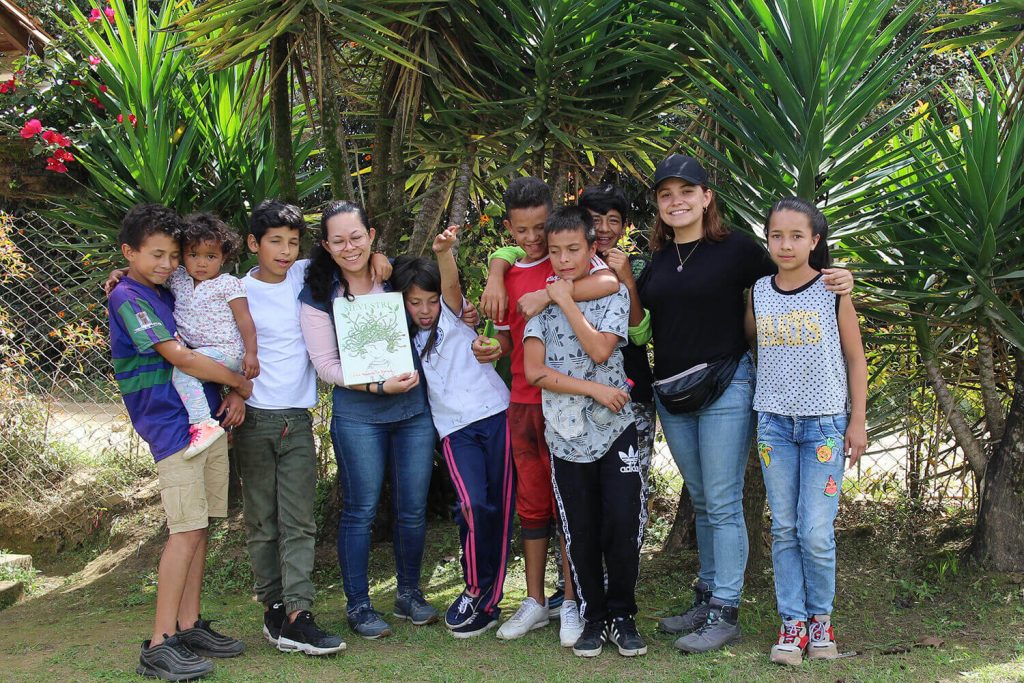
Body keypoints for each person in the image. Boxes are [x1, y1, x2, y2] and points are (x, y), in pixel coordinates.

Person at [634, 154, 853, 653]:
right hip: (673, 393)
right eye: (666, 194)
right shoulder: (656, 260)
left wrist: (840, 278)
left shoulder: (737, 250)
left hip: (727, 386)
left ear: (706, 197)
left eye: (686, 191)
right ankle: (707, 595)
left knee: (723, 500)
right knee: (703, 499)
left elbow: (796, 271)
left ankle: (725, 610)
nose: (676, 201)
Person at [109, 204, 251, 681]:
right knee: (185, 529)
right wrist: (240, 382)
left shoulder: (168, 289)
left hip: (205, 419)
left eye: (173, 255)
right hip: (172, 427)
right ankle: (159, 643)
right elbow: (180, 357)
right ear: (129, 252)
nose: (168, 264)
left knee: (201, 525)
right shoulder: (129, 297)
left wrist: (232, 390)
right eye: (156, 255)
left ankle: (188, 626)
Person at [474, 177, 618, 646]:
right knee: (532, 503)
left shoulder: (572, 265)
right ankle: (535, 601)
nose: (534, 238)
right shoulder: (509, 270)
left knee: (570, 506)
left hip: (568, 404)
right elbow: (506, 340)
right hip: (522, 402)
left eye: (542, 227)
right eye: (524, 230)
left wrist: (550, 293)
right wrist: (490, 346)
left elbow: (610, 281)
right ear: (509, 229)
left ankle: (572, 600)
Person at [217, 200, 356, 656]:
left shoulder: (303, 276)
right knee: (262, 521)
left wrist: (380, 260)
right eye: (274, 241)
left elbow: (354, 258)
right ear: (253, 243)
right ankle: (273, 607)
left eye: (292, 242)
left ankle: (299, 614)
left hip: (296, 419)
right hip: (253, 418)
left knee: (298, 520)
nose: (284, 251)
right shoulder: (236, 290)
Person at [298, 200, 438, 639]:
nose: (349, 247)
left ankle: (409, 594)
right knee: (360, 510)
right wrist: (377, 387)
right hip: (359, 415)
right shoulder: (318, 293)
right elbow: (325, 365)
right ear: (326, 245)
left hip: (413, 411)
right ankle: (358, 604)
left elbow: (435, 307)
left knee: (412, 508)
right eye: (338, 240)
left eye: (357, 237)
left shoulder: (393, 276)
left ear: (371, 236)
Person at [743, 197, 867, 665]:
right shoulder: (759, 291)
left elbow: (856, 358)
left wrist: (857, 420)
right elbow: (749, 340)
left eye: (797, 236)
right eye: (776, 235)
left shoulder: (833, 289)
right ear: (767, 239)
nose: (786, 244)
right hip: (774, 426)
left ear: (815, 240)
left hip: (825, 428)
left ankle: (821, 621)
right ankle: (792, 623)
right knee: (785, 528)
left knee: (815, 530)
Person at [523, 207, 648, 659]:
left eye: (573, 249)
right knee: (580, 527)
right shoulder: (540, 304)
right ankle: (593, 618)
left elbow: (599, 349)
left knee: (623, 521)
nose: (563, 259)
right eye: (555, 251)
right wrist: (593, 389)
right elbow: (535, 372)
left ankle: (622, 616)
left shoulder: (611, 293)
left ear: (592, 248)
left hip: (615, 429)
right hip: (566, 434)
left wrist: (565, 300)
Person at [389, 225, 515, 639]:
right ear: (402, 303)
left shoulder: (454, 316)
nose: (425, 310)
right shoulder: (400, 339)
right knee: (472, 505)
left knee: (499, 508)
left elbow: (451, 286)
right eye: (414, 303)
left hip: (497, 415)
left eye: (430, 301)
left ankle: (489, 602)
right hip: (455, 431)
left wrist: (444, 251)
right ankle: (475, 588)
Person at [165, 213, 259, 458]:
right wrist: (121, 272)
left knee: (182, 371)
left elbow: (244, 319)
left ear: (223, 257)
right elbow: (150, 269)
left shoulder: (228, 284)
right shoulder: (178, 278)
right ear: (183, 255)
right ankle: (222, 431)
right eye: (193, 255)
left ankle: (202, 423)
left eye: (210, 256)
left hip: (226, 351)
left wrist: (251, 353)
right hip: (202, 353)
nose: (201, 263)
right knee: (188, 367)